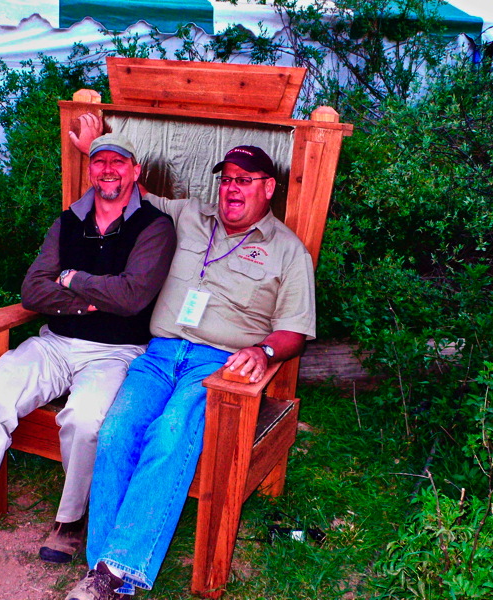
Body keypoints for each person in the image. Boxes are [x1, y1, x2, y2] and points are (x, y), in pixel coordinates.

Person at [0, 134, 177, 598]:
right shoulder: (68, 222)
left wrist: (74, 280)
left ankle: (70, 521)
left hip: (118, 352)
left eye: (118, 163)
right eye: (99, 162)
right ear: (91, 170)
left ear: (135, 171)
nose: (108, 171)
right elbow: (33, 291)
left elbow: (133, 297)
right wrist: (84, 304)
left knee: (85, 420)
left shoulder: (154, 227)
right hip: (56, 340)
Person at [65, 123, 316, 600]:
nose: (232, 188)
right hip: (158, 352)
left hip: (216, 365)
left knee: (171, 431)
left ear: (268, 188)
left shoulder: (288, 251)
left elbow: (295, 331)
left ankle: (117, 572)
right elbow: (125, 189)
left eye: (245, 179)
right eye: (226, 179)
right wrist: (92, 152)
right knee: (117, 428)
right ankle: (104, 568)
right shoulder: (187, 215)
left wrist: (262, 351)